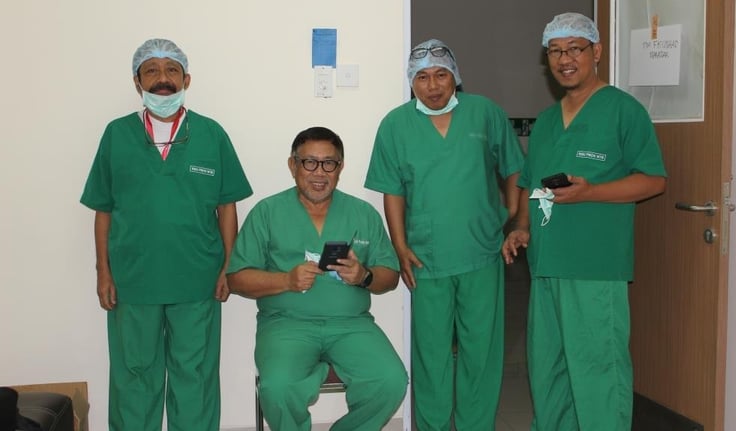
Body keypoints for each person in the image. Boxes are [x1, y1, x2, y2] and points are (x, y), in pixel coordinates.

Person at [502, 12, 667, 431]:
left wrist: (590, 192)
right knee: (549, 373)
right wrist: (521, 227)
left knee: (598, 375)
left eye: (575, 48)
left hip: (595, 267)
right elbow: (531, 183)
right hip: (546, 267)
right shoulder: (546, 122)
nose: (565, 59)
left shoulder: (623, 111)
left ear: (596, 51)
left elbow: (653, 180)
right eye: (555, 51)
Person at [80, 38, 253, 431]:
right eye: (152, 70)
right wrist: (103, 271)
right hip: (132, 279)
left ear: (186, 79)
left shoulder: (210, 134)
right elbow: (103, 208)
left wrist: (229, 266)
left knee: (195, 375)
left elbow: (227, 207)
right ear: (137, 82)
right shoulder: (116, 134)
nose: (163, 78)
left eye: (172, 69)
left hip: (197, 279)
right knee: (134, 376)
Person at [364, 39, 525, 430]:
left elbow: (514, 166)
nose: (432, 86)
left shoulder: (485, 113)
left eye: (440, 74)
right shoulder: (395, 125)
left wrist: (510, 212)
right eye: (422, 77)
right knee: (431, 353)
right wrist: (400, 246)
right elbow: (392, 191)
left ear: (455, 76)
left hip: (481, 251)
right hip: (426, 256)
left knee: (481, 349)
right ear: (411, 81)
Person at [227, 126, 408, 431]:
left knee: (391, 381)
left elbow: (390, 277)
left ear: (340, 167)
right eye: (309, 162)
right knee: (278, 388)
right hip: (287, 326)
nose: (319, 172)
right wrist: (286, 281)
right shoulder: (267, 212)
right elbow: (236, 278)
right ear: (293, 165)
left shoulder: (363, 214)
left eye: (329, 163)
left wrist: (364, 276)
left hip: (351, 325)